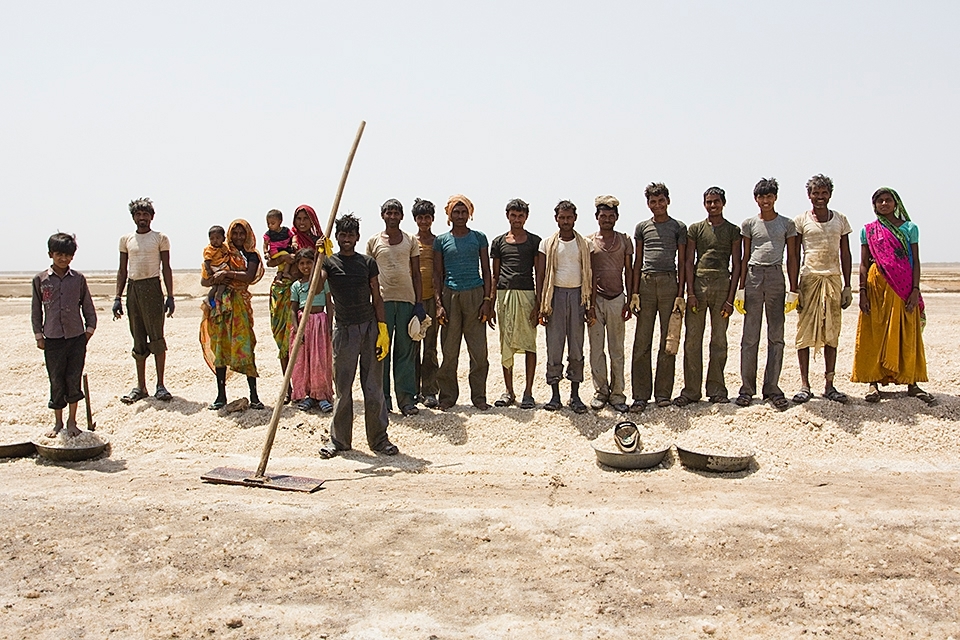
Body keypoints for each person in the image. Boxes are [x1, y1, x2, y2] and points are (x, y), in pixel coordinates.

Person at [318, 214, 398, 458]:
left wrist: (382, 329)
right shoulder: (330, 263)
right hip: (344, 330)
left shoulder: (367, 262)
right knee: (343, 389)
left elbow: (377, 296)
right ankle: (339, 441)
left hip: (369, 327)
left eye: (350, 235)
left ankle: (379, 440)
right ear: (337, 237)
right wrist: (320, 256)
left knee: (373, 388)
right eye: (342, 235)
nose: (346, 239)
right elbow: (317, 285)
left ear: (357, 237)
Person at [851, 188, 932, 404]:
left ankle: (911, 382)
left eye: (888, 200)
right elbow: (863, 263)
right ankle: (873, 382)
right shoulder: (868, 230)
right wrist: (862, 292)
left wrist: (915, 290)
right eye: (880, 201)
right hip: (876, 286)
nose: (884, 204)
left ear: (896, 204)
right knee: (874, 331)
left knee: (906, 331)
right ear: (875, 205)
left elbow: (916, 261)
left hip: (903, 287)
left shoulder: (910, 228)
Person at [735, 178, 799, 411]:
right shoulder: (749, 224)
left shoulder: (787, 224)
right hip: (753, 276)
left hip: (775, 277)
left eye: (769, 196)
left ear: (775, 197)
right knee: (750, 336)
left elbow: (793, 257)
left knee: (776, 336)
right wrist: (741, 288)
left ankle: (772, 388)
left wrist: (793, 289)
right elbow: (744, 256)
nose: (765, 201)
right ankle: (746, 389)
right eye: (761, 197)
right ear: (756, 199)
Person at [674, 187, 742, 406]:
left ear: (723, 203)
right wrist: (691, 292)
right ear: (704, 204)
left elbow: (737, 265)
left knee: (719, 340)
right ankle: (691, 391)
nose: (713, 205)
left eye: (716, 201)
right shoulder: (696, 229)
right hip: (699, 285)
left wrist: (730, 299)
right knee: (692, 340)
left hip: (722, 285)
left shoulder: (733, 230)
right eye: (709, 202)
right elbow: (688, 261)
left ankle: (717, 389)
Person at [791, 174, 853, 405]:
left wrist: (848, 286)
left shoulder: (841, 220)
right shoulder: (801, 221)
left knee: (832, 332)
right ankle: (804, 385)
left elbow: (845, 253)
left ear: (830, 194)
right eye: (815, 193)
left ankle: (829, 385)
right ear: (809, 195)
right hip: (809, 280)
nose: (820, 197)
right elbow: (794, 254)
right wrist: (794, 288)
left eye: (824, 192)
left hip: (833, 280)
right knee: (804, 333)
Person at [32, 233, 97, 438]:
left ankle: (72, 421)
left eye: (68, 255)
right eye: (59, 254)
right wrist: (39, 335)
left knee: (73, 379)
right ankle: (58, 422)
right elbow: (36, 310)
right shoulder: (40, 280)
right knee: (56, 380)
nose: (63, 258)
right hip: (52, 339)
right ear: (50, 254)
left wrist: (88, 331)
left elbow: (88, 307)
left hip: (76, 338)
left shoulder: (78, 279)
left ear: (72, 256)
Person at [629, 183, 687, 412]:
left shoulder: (678, 227)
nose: (657, 205)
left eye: (661, 200)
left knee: (668, 340)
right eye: (653, 201)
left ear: (668, 201)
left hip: (669, 283)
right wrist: (634, 292)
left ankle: (663, 394)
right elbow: (637, 261)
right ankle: (640, 395)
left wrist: (680, 293)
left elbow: (683, 262)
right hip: (646, 283)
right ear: (648, 204)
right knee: (642, 341)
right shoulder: (642, 227)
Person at [433, 195, 493, 411]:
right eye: (456, 212)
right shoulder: (441, 240)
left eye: (464, 212)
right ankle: (447, 396)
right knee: (449, 351)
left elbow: (486, 270)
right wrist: (439, 304)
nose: (460, 216)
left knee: (479, 351)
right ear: (449, 215)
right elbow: (437, 274)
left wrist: (487, 300)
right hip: (450, 296)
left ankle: (479, 396)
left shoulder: (479, 237)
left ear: (470, 214)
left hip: (475, 295)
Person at [366, 199, 424, 417]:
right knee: (382, 350)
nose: (392, 216)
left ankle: (406, 400)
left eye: (396, 213)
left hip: (407, 300)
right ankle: (383, 399)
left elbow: (416, 273)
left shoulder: (410, 240)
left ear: (402, 216)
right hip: (382, 302)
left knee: (405, 351)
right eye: (388, 213)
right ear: (382, 215)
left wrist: (419, 303)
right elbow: (369, 276)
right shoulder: (373, 242)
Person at [113, 197, 175, 404]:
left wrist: (170, 296)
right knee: (138, 338)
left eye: (146, 214)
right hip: (133, 289)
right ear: (133, 217)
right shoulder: (126, 240)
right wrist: (117, 297)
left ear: (152, 217)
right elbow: (122, 270)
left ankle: (160, 385)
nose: (142, 218)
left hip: (153, 288)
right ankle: (141, 386)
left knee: (157, 338)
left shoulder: (160, 238)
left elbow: (166, 267)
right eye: (138, 214)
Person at [199, 219, 265, 410]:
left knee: (245, 346)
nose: (238, 237)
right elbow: (205, 280)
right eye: (235, 233)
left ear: (248, 234)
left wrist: (227, 275)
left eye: (242, 233)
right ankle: (221, 396)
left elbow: (249, 276)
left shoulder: (251, 255)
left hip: (241, 305)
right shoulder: (222, 252)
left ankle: (254, 396)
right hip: (221, 306)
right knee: (220, 346)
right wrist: (216, 277)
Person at [538, 200, 592, 413]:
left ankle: (575, 395)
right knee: (554, 346)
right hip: (555, 297)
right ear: (556, 218)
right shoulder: (547, 244)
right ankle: (555, 395)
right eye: (562, 217)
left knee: (576, 346)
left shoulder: (585, 244)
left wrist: (590, 305)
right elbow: (541, 275)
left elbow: (591, 273)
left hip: (578, 296)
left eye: (569, 217)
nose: (566, 221)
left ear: (575, 218)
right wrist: (542, 305)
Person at [490, 198, 542, 409]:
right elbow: (495, 275)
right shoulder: (498, 242)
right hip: (504, 296)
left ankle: (528, 392)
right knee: (506, 343)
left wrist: (539, 303)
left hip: (527, 295)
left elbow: (539, 273)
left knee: (530, 343)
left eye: (521, 216)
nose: (517, 219)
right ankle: (509, 391)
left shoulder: (534, 241)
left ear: (526, 217)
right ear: (507, 216)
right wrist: (490, 302)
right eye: (514, 215)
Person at [587, 195, 633, 412]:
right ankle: (600, 391)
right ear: (597, 217)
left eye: (610, 216)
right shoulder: (588, 241)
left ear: (617, 217)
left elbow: (629, 270)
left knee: (617, 349)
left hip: (617, 300)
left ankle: (617, 394)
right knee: (596, 349)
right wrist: (588, 304)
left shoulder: (624, 240)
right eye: (603, 216)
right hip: (595, 301)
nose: (607, 219)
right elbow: (586, 273)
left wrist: (630, 299)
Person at [289, 247, 334, 413]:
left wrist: (329, 325)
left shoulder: (321, 282)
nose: (305, 266)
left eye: (309, 262)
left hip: (320, 323)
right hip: (303, 324)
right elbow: (292, 309)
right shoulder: (296, 286)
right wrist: (297, 329)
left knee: (319, 360)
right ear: (297, 265)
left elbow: (329, 304)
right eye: (302, 263)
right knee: (304, 360)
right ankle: (307, 395)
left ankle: (321, 395)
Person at [264, 209, 297, 403]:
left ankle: (303, 389)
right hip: (280, 290)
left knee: (299, 342)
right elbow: (270, 261)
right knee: (283, 342)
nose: (302, 222)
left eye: (306, 219)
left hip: (300, 293)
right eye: (299, 219)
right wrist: (283, 259)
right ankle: (288, 387)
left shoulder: (298, 240)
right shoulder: (276, 238)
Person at [412, 198, 440, 408]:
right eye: (420, 217)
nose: (424, 221)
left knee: (430, 347)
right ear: (415, 219)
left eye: (427, 217)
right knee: (412, 346)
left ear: (432, 219)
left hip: (432, 298)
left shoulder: (438, 242)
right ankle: (413, 390)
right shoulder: (411, 241)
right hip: (413, 299)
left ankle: (430, 390)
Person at [203, 225, 230, 313]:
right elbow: (207, 262)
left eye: (218, 238)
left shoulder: (224, 247)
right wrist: (210, 273)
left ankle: (215, 296)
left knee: (218, 285)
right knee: (219, 282)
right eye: (212, 239)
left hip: (220, 266)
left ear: (223, 238)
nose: (215, 241)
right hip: (213, 267)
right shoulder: (209, 249)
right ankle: (214, 297)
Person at [263, 209, 295, 280]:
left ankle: (279, 277)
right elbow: (265, 244)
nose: (270, 225)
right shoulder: (268, 234)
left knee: (282, 263)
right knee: (287, 256)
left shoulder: (286, 231)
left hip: (285, 250)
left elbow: (293, 236)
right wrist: (266, 252)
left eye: (272, 223)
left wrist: (293, 243)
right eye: (268, 223)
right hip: (275, 252)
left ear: (280, 222)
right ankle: (286, 272)